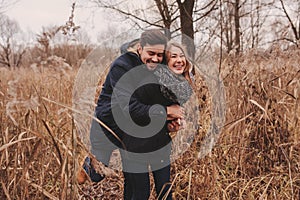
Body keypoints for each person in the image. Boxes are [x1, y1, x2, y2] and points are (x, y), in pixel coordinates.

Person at [79, 29, 185, 199]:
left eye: (160, 55)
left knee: (137, 186)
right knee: (97, 175)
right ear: (140, 48)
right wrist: (166, 112)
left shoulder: (155, 67)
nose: (155, 59)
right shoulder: (121, 67)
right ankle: (87, 167)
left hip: (134, 128)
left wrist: (172, 120)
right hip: (109, 125)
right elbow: (132, 108)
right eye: (151, 53)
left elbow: (156, 96)